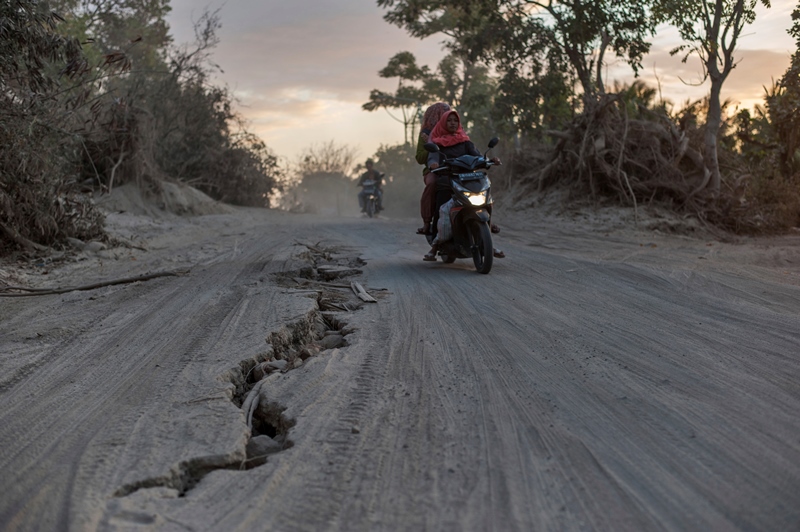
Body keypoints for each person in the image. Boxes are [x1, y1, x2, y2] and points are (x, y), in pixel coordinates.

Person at [423, 110, 505, 261]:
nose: (453, 123)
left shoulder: (465, 141)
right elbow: (432, 157)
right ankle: (434, 247)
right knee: (442, 210)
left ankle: (487, 242)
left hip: (468, 180)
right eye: (449, 121)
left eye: (455, 120)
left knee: (487, 201)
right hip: (447, 180)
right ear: (443, 123)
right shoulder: (437, 143)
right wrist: (433, 164)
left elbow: (478, 156)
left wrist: (490, 160)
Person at [415, 102, 451, 235]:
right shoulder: (425, 134)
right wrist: (430, 147)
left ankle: (486, 219)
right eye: (443, 114)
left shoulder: (456, 130)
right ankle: (426, 221)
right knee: (432, 184)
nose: (446, 118)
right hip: (434, 170)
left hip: (454, 168)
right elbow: (419, 158)